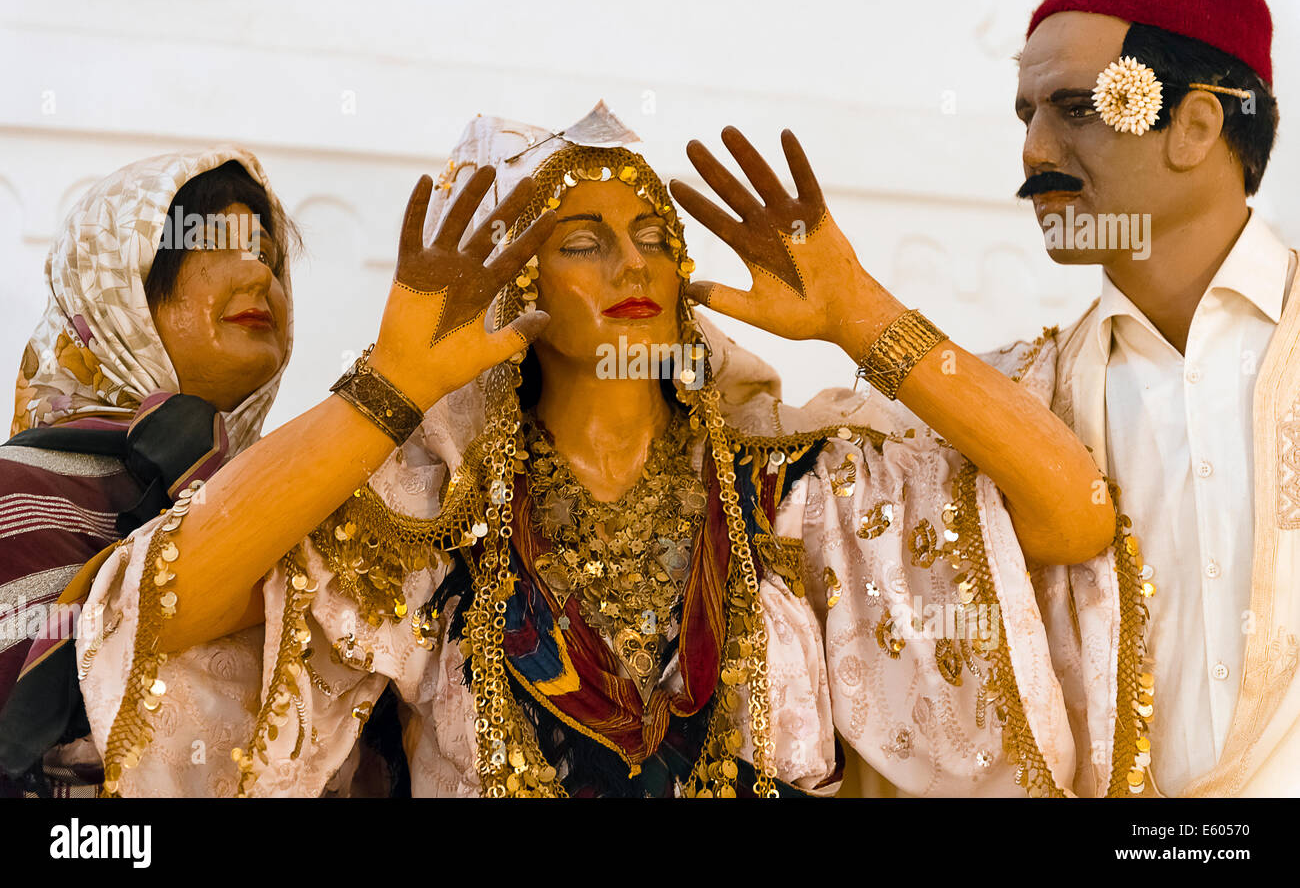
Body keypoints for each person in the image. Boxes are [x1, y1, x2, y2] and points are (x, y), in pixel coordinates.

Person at [75, 102, 1128, 798]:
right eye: (582, 241)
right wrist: (390, 391)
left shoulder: (782, 483)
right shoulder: (434, 514)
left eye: (656, 235)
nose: (633, 259)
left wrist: (861, 315)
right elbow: (165, 607)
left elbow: (1073, 514)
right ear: (516, 287)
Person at [889, 0, 1291, 797]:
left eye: (1075, 109)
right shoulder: (1020, 406)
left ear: (1196, 124)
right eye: (1025, 115)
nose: (1034, 149)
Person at [0, 148, 296, 797]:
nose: (258, 273)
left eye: (270, 258)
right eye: (216, 243)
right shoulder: (18, 483)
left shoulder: (295, 488)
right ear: (121, 285)